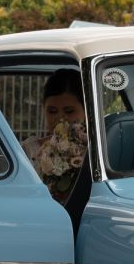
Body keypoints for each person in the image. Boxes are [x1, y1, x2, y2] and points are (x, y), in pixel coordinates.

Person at [23, 70, 87, 201]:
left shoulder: (97, 150)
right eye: (52, 111)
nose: (60, 118)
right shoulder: (29, 149)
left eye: (69, 111)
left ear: (86, 109)